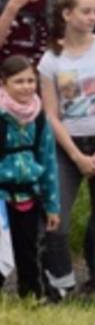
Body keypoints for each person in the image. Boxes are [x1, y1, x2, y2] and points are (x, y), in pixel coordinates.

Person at [38, 0, 95, 299]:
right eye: (86, 11)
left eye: (94, 12)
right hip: (67, 149)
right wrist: (77, 156)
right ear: (66, 15)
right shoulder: (51, 60)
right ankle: (61, 284)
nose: (93, 17)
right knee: (57, 223)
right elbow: (51, 115)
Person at [0, 55, 59, 297]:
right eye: (18, 82)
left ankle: (31, 297)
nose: (26, 87)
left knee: (28, 251)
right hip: (1, 196)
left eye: (30, 81)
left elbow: (48, 161)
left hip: (28, 195)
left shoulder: (40, 118)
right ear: (4, 83)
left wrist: (52, 205)